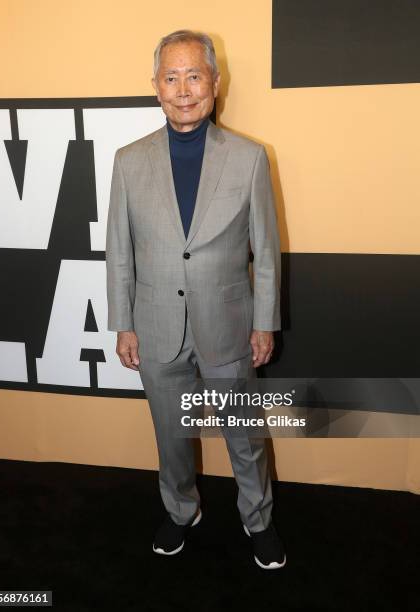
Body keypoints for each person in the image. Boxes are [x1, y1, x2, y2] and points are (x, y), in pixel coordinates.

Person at [105, 29, 285, 570]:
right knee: (171, 436)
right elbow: (118, 252)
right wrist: (123, 323)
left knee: (245, 437)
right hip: (155, 326)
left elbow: (268, 252)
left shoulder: (251, 158)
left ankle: (259, 520)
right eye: (171, 77)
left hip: (229, 326)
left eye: (194, 75)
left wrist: (265, 322)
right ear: (156, 86)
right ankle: (181, 511)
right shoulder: (127, 161)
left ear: (214, 82)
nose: (183, 89)